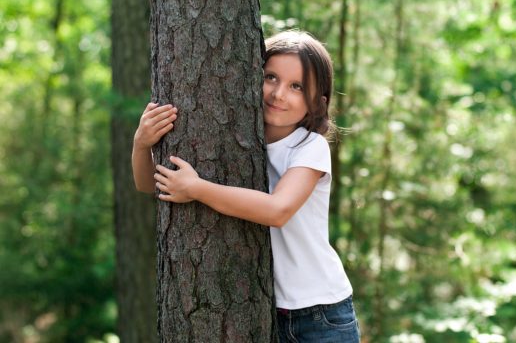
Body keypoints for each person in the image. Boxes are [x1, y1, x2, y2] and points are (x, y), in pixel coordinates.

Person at [132, 30, 360, 342]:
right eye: (271, 77)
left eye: (297, 87)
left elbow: (277, 210)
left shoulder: (310, 148)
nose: (279, 94)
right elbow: (152, 186)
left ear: (317, 104)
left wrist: (197, 189)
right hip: (265, 311)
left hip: (320, 314)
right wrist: (141, 145)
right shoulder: (241, 140)